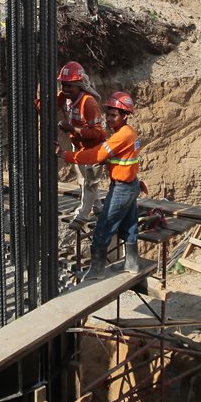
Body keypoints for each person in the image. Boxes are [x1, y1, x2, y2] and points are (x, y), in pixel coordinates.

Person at [62, 90, 141, 275]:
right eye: (108, 114)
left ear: (125, 115)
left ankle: (96, 271)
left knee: (103, 227)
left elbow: (96, 155)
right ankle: (132, 263)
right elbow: (116, 156)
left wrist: (64, 154)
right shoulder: (127, 133)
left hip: (123, 188)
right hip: (131, 185)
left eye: (114, 115)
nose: (109, 118)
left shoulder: (122, 136)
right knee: (129, 225)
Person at [56, 61, 105, 235]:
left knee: (89, 183)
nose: (65, 89)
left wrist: (72, 129)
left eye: (69, 85)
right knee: (84, 181)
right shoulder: (65, 97)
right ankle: (98, 207)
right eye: (63, 84)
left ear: (79, 85)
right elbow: (47, 106)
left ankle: (82, 216)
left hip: (94, 149)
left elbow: (96, 133)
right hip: (78, 146)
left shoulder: (88, 103)